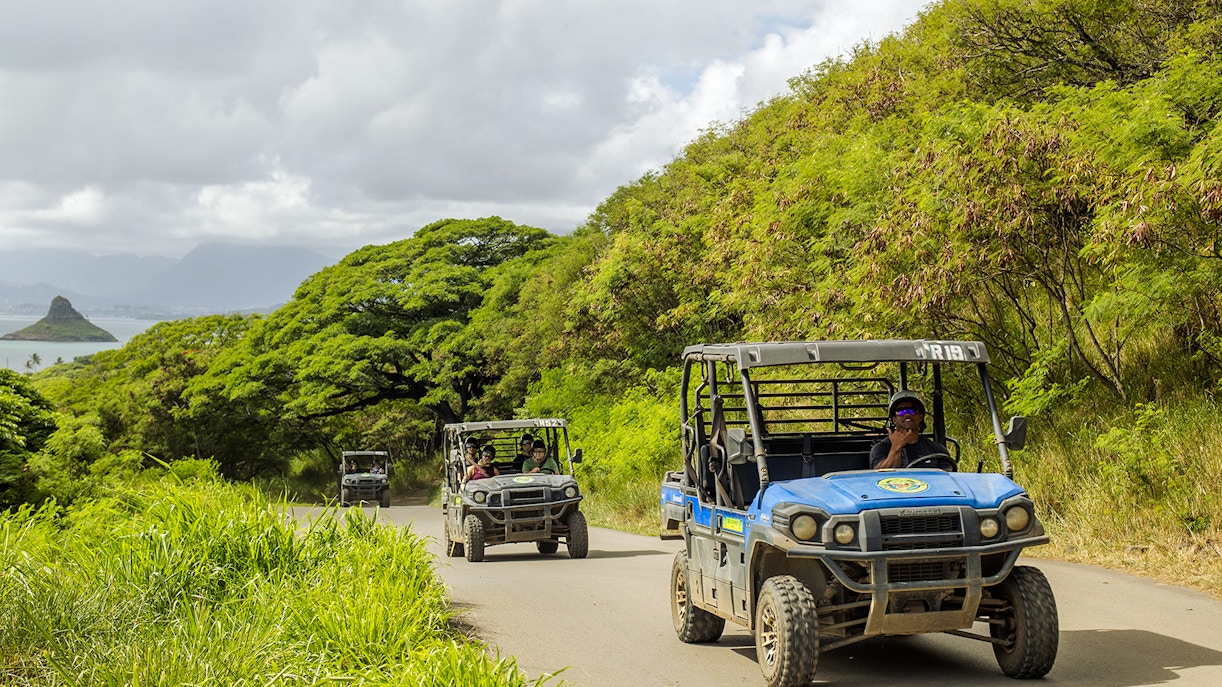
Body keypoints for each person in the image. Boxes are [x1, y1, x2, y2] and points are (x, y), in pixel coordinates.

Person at [870, 390, 955, 471]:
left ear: (920, 416)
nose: (907, 414)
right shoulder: (881, 448)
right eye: (901, 411)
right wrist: (895, 449)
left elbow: (947, 478)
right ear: (894, 419)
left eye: (912, 410)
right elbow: (879, 476)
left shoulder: (937, 449)